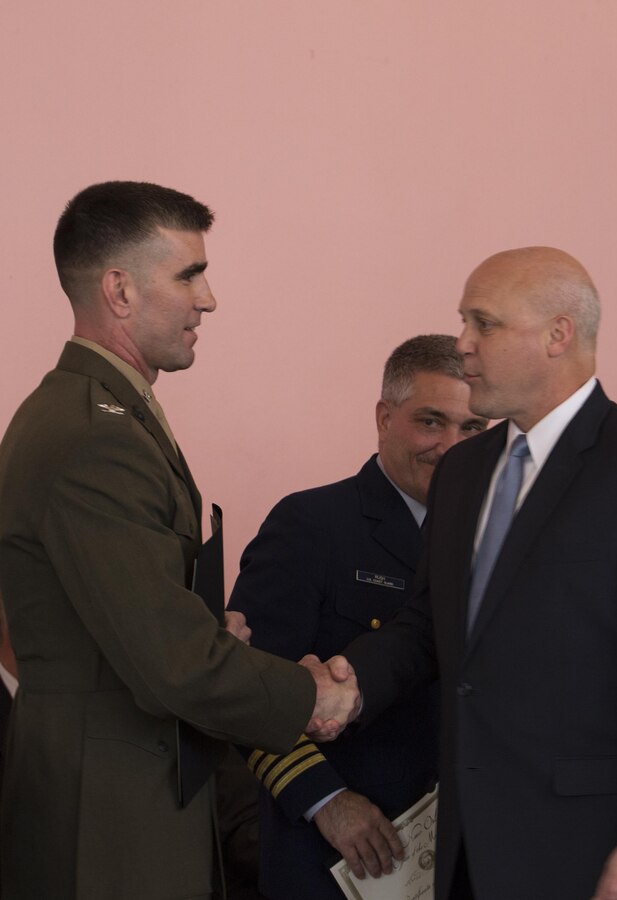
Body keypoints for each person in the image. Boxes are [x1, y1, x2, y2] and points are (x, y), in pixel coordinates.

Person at [0, 181, 358, 900]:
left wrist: (195, 626)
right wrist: (308, 695)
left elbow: (124, 612)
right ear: (120, 290)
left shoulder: (97, 413)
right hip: (109, 812)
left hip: (121, 784)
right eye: (189, 275)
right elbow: (173, 664)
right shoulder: (96, 436)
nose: (208, 299)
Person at [339, 247, 617, 900]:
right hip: (469, 855)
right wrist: (348, 686)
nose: (463, 345)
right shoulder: (463, 469)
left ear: (557, 335)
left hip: (598, 856)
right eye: (463, 322)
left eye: (484, 323)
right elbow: (433, 625)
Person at [226, 335, 487, 899]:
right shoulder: (310, 525)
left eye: (471, 429)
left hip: (464, 858)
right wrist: (325, 801)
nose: (451, 446)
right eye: (431, 422)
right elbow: (247, 691)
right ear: (384, 418)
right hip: (340, 859)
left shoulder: (494, 542)